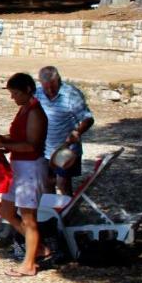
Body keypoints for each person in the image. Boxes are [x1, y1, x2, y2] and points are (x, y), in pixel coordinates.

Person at [0, 72, 50, 277]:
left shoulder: (35, 113)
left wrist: (4, 143)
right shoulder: (24, 109)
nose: (13, 97)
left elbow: (31, 144)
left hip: (30, 168)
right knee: (6, 211)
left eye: (15, 93)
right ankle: (39, 248)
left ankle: (29, 264)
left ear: (28, 90)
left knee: (28, 218)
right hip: (18, 167)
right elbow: (17, 138)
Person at [36, 65, 94, 195]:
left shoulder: (71, 94)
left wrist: (77, 132)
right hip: (44, 148)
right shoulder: (37, 93)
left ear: (59, 80)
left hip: (66, 149)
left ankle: (68, 213)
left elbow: (88, 118)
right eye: (46, 87)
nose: (50, 90)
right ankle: (51, 213)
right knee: (47, 183)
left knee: (63, 184)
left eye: (53, 86)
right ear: (41, 83)